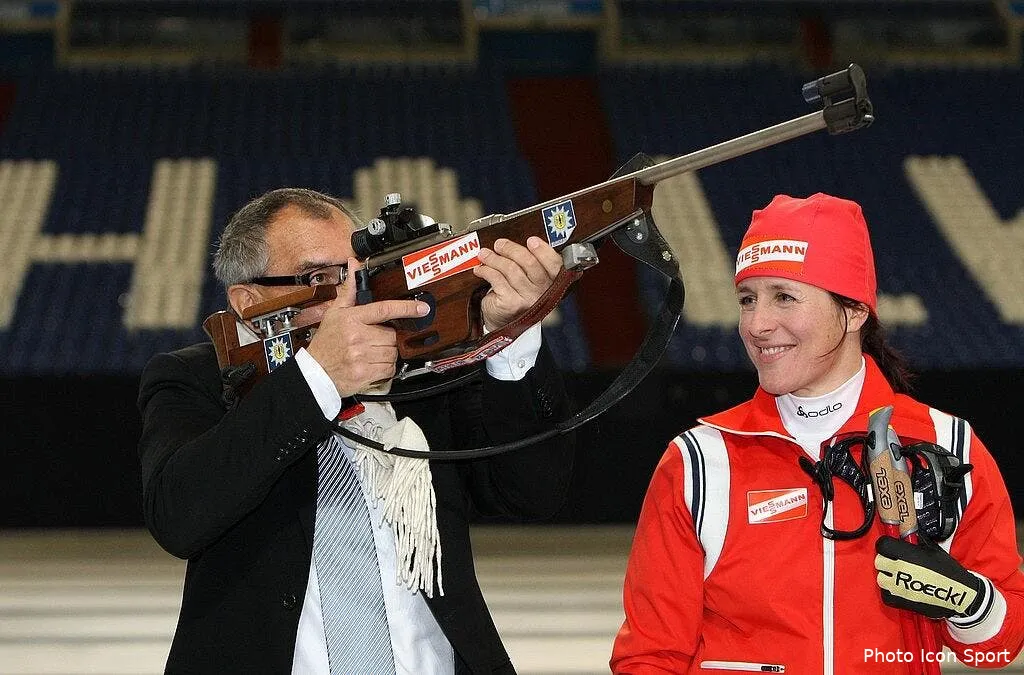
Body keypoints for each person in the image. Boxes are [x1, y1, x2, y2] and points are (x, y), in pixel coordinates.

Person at [137, 187, 575, 674]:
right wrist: (317, 381)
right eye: (320, 278)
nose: (347, 298)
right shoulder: (196, 380)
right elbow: (179, 516)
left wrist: (510, 335)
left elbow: (531, 493)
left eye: (356, 276)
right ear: (247, 300)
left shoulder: (419, 368)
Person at [610, 193, 1024, 673]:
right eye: (748, 300)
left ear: (853, 312)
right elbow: (650, 655)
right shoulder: (700, 461)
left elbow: (997, 648)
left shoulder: (945, 444)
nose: (758, 325)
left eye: (784, 296)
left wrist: (971, 603)